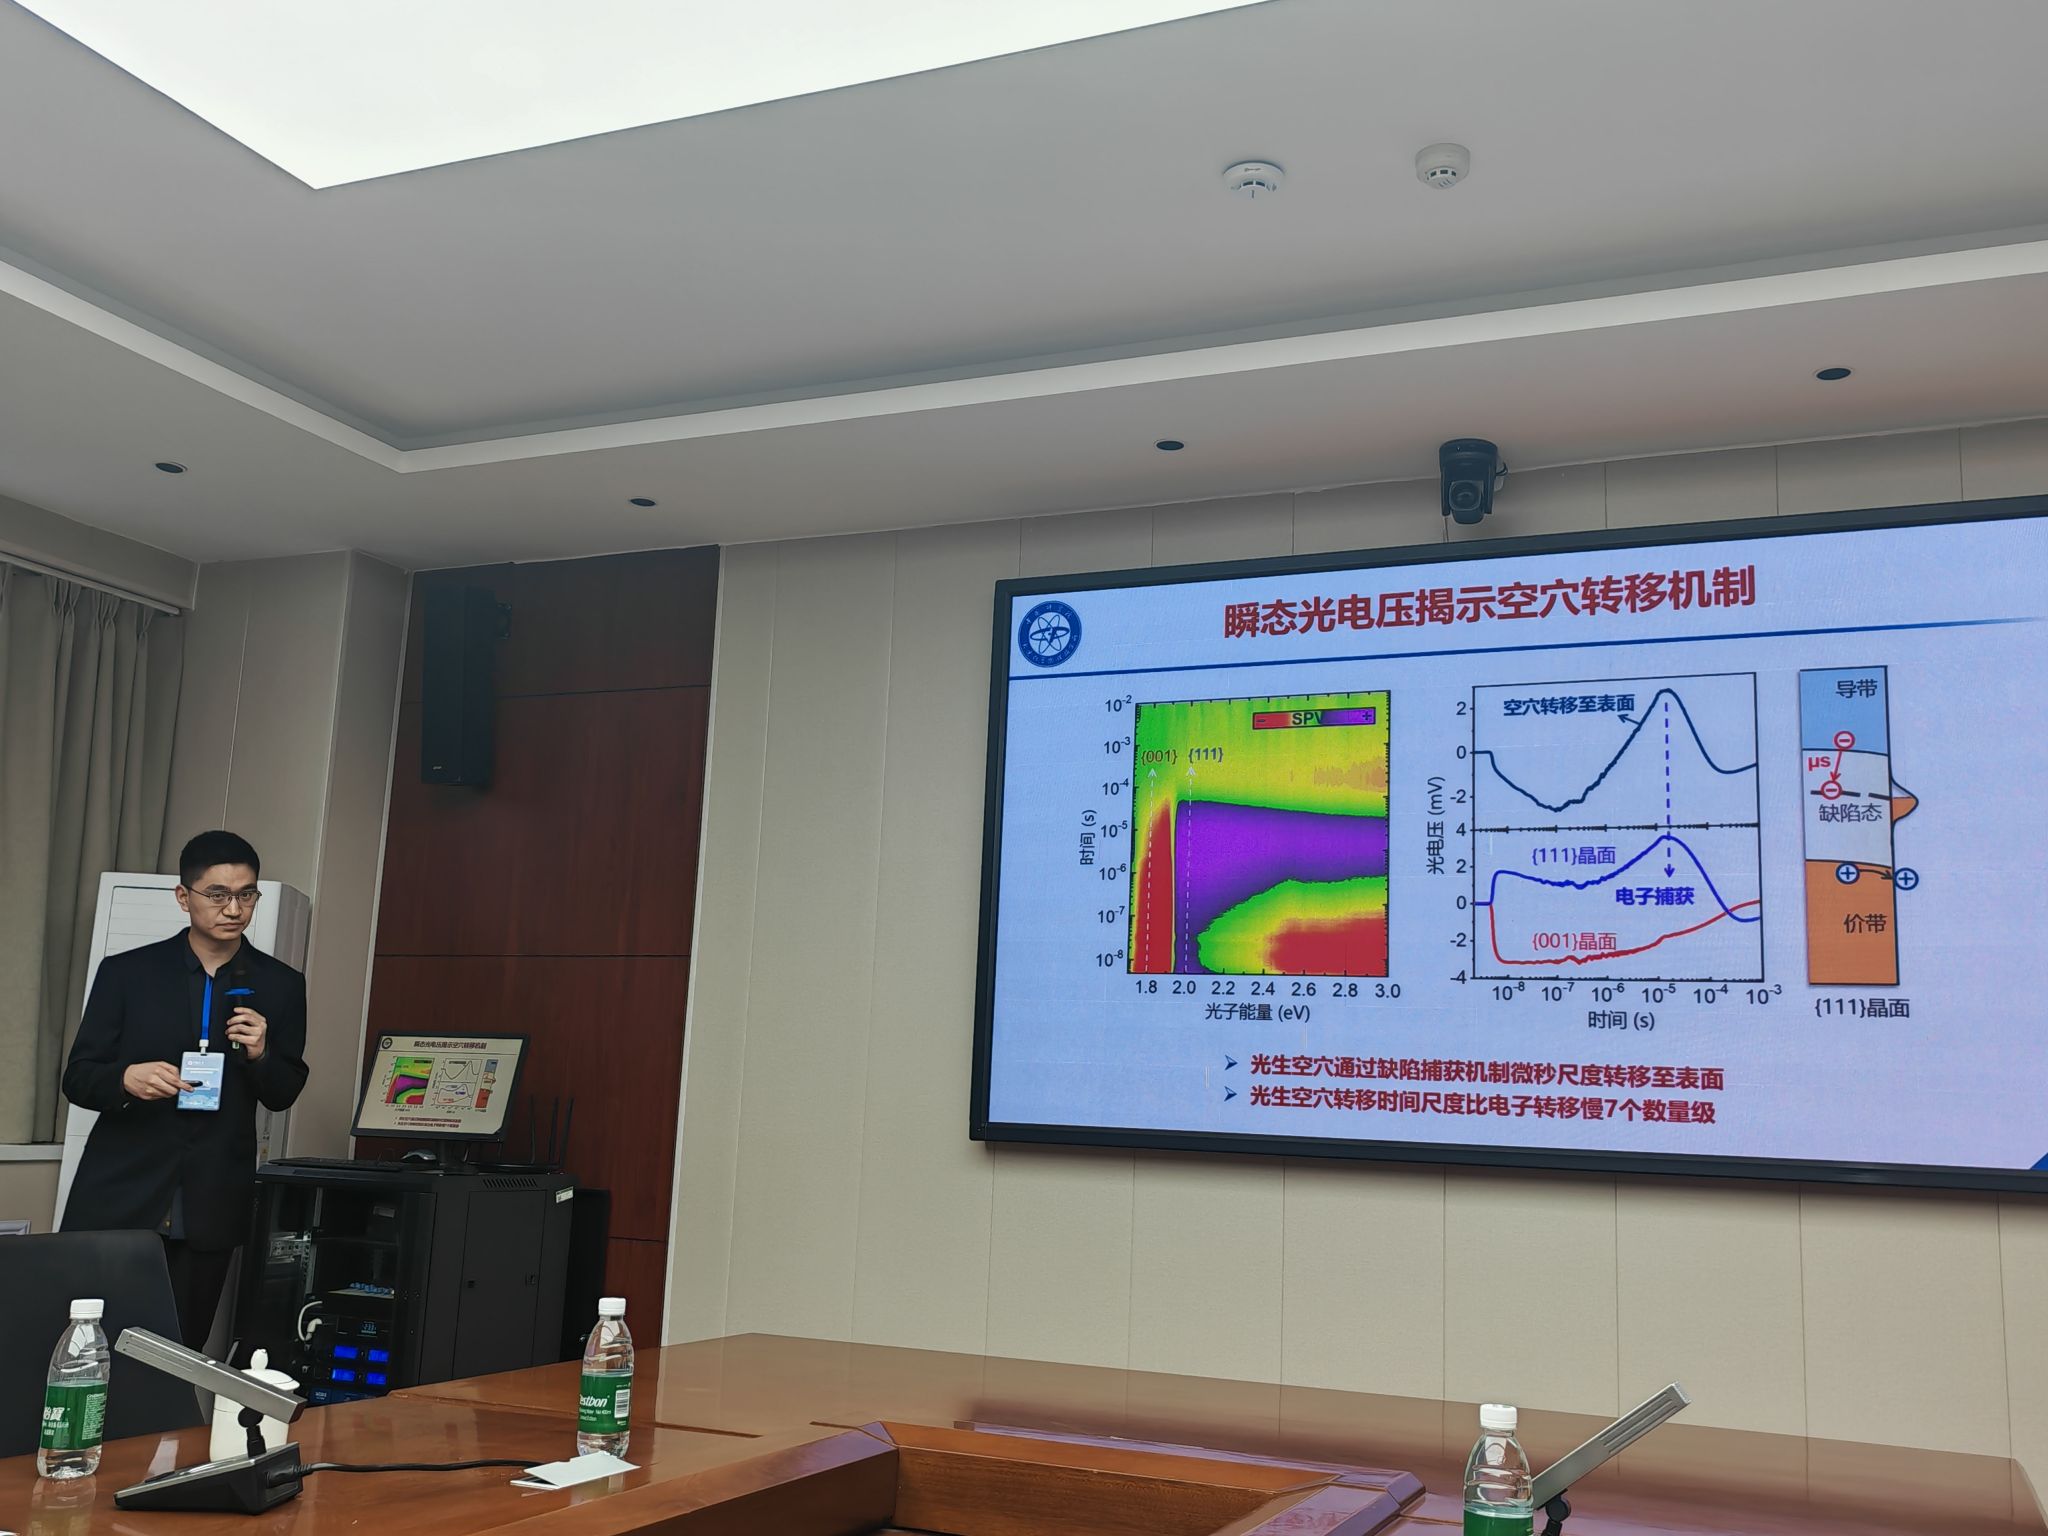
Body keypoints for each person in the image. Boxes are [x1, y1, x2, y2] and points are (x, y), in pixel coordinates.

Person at [60, 831, 309, 1349]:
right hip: (120, 1193)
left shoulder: (281, 984)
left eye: (246, 894)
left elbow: (283, 1092)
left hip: (212, 1197)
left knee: (178, 1353)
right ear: (183, 896)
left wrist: (262, 1054)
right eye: (217, 894)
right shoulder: (128, 973)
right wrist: (124, 1079)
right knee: (89, 1347)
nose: (233, 909)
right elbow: (79, 1076)